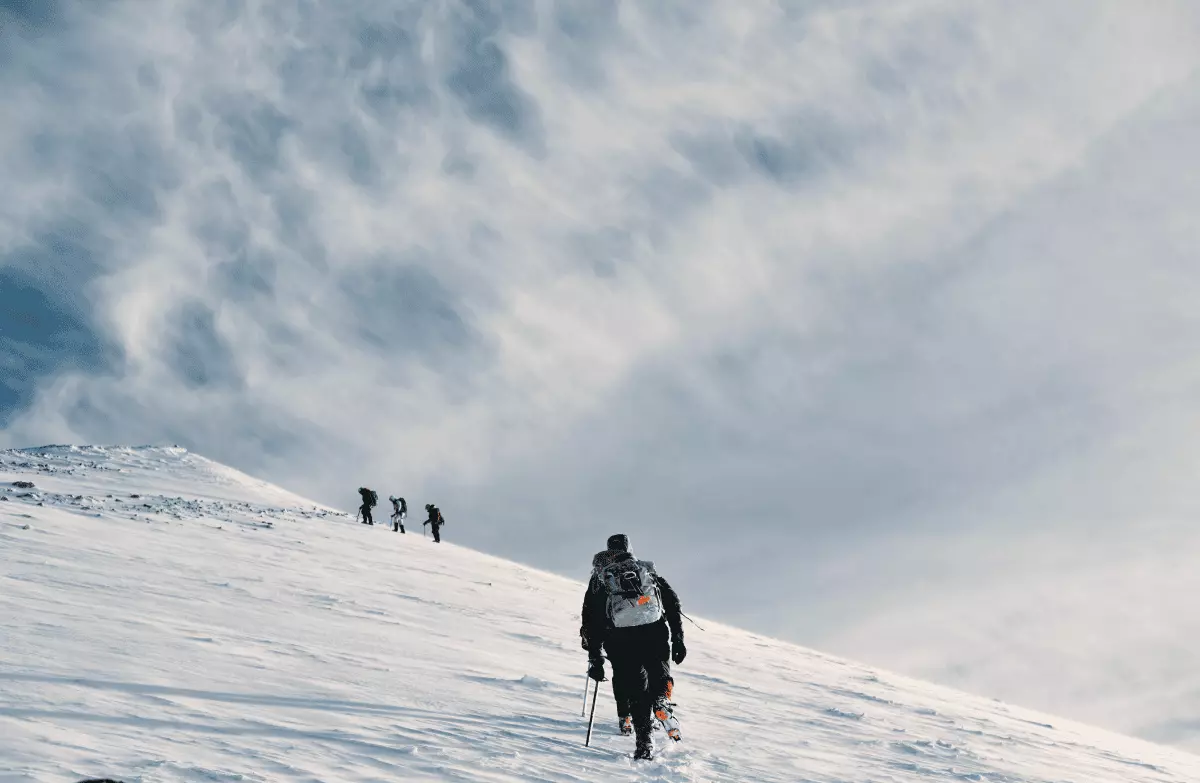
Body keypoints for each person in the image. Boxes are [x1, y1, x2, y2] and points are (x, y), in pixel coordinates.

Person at [580, 533, 686, 760]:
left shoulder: (601, 576)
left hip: (619, 640)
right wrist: (678, 637)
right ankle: (661, 700)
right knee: (660, 673)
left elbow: (591, 618)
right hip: (654, 631)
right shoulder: (643, 569)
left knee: (637, 690)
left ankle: (644, 744)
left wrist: (595, 656)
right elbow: (671, 601)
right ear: (628, 548)